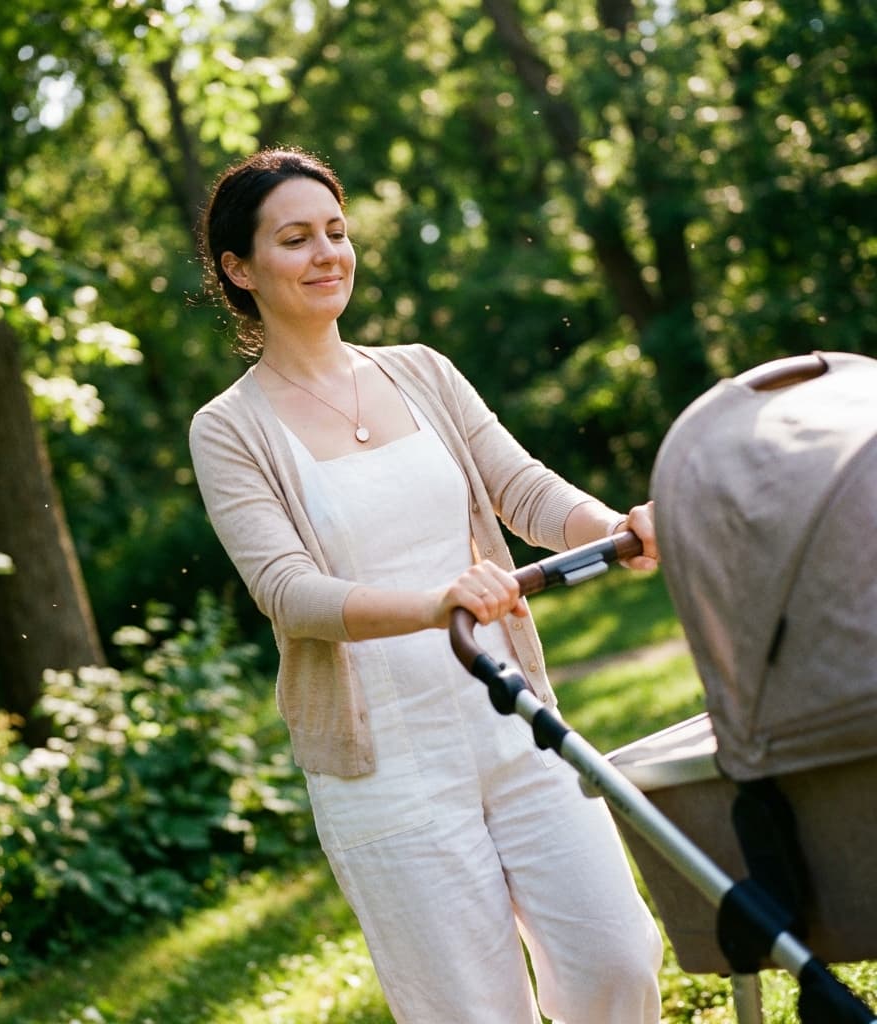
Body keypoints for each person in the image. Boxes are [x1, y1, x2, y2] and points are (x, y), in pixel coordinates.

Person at [189, 146, 663, 1024]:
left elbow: (522, 489)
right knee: (469, 1011)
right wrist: (437, 603)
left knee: (618, 954)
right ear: (238, 268)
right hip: (386, 770)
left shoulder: (420, 370)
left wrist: (612, 531)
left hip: (511, 715)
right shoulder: (228, 429)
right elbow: (290, 593)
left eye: (336, 231)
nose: (328, 254)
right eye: (295, 239)